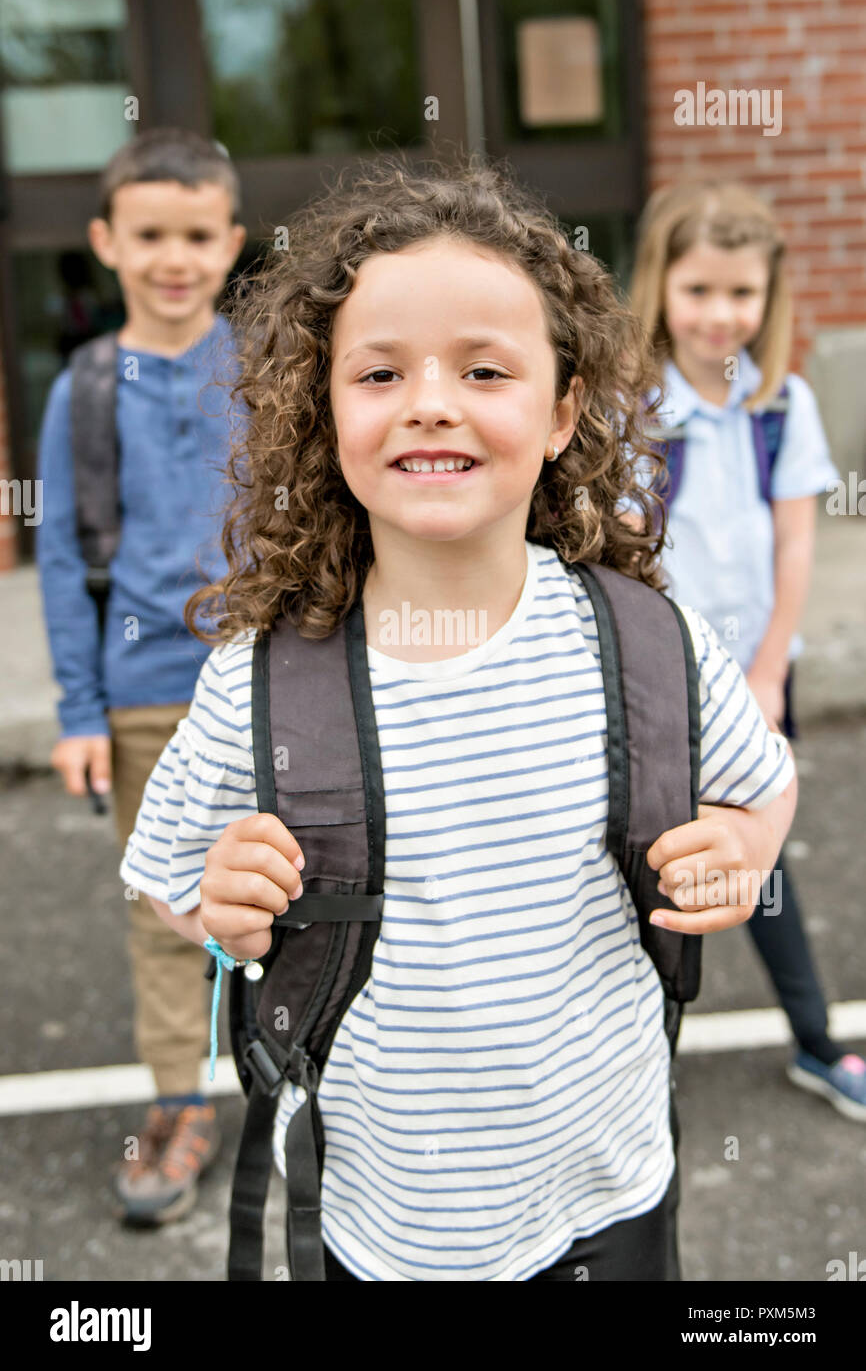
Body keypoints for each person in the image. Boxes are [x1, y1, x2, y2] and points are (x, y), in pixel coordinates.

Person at [119, 156, 796, 1281]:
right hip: (385, 1229)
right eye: (379, 374)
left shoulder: (642, 642)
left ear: (562, 406)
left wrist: (739, 853)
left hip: (610, 1194)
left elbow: (762, 785)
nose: (430, 399)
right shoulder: (260, 679)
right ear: (322, 406)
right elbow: (163, 873)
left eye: (483, 369)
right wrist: (222, 906)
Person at [35, 127, 247, 1224]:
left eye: (198, 235)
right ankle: (181, 1099)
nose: (176, 257)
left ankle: (334, 1080)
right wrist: (78, 710)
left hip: (268, 686)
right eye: (151, 234)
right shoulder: (82, 391)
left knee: (302, 889)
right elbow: (66, 561)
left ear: (232, 243)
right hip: (146, 695)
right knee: (166, 904)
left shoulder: (266, 372)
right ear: (107, 242)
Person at [629, 179, 866, 1120]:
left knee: (760, 860)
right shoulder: (631, 408)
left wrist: (770, 670)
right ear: (661, 288)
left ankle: (815, 1043)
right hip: (656, 678)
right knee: (643, 863)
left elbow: (795, 542)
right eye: (699, 291)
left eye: (742, 294)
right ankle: (634, 1062)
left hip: (754, 676)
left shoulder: (783, 407)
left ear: (769, 300)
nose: (721, 315)